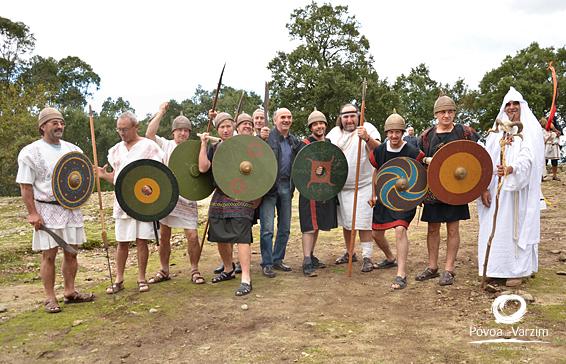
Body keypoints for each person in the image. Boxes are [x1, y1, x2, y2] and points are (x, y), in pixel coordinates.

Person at [16, 107, 95, 313]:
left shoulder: (73, 150)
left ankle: (70, 292)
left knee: (72, 253)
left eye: (61, 122)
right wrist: (33, 212)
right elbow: (25, 186)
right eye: (54, 123)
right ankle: (50, 298)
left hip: (71, 208)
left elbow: (84, 176)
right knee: (49, 255)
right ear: (43, 127)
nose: (60, 126)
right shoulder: (30, 152)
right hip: (47, 209)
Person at [477, 87, 544, 287]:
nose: (512, 107)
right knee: (494, 228)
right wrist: (483, 188)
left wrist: (512, 169)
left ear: (521, 106)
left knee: (516, 227)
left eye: (515, 104)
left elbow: (530, 160)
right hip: (496, 191)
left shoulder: (529, 132)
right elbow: (485, 161)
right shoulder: (496, 133)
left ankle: (517, 270)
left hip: (518, 194)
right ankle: (494, 268)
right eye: (508, 104)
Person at [98, 111, 165, 294]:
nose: (122, 133)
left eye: (125, 129)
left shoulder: (149, 147)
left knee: (141, 240)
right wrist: (104, 176)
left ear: (136, 127)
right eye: (119, 129)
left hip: (143, 201)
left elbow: (159, 175)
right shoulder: (115, 150)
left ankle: (141, 278)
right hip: (123, 201)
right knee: (122, 241)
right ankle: (119, 279)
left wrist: (150, 188)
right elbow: (117, 178)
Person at [416, 95, 479, 286]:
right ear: (436, 114)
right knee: (433, 228)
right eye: (443, 112)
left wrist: (480, 187)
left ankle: (449, 269)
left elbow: (476, 159)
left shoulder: (465, 133)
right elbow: (418, 162)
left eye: (450, 111)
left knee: (453, 228)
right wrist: (419, 191)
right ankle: (432, 267)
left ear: (454, 113)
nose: (447, 115)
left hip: (457, 188)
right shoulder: (426, 137)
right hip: (434, 189)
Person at [145, 102, 204, 285]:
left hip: (186, 197)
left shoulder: (193, 149)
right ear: (173, 132)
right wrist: (161, 112)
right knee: (164, 235)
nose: (183, 133)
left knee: (192, 235)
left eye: (186, 130)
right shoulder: (165, 145)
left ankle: (194, 269)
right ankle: (164, 269)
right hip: (167, 197)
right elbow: (149, 134)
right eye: (179, 130)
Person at [198, 112, 255, 296]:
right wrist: (203, 144)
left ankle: (246, 277)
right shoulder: (214, 147)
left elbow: (256, 168)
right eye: (221, 127)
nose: (225, 129)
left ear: (234, 127)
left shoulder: (243, 145)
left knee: (242, 236)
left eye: (228, 126)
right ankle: (228, 269)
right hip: (221, 195)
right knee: (220, 234)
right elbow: (202, 167)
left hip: (240, 194)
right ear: (218, 130)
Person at [369, 112, 424, 289]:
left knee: (400, 229)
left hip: (404, 198)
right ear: (386, 133)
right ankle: (390, 258)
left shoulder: (413, 152)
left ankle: (401, 273)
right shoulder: (379, 151)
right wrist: (374, 194)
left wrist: (419, 194)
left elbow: (421, 172)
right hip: (384, 196)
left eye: (397, 132)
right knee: (376, 234)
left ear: (402, 133)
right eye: (391, 132)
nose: (394, 136)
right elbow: (376, 172)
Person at [326, 103, 381, 272]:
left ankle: (367, 257)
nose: (349, 120)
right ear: (340, 118)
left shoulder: (368, 128)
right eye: (345, 117)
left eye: (352, 116)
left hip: (364, 185)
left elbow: (380, 150)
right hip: (342, 186)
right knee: (348, 222)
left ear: (358, 116)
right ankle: (350, 252)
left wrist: (367, 138)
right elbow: (324, 153)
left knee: (363, 222)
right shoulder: (334, 133)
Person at [259, 108, 302, 277]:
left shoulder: (294, 141)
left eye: (289, 117)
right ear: (275, 120)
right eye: (282, 117)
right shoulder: (266, 138)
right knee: (267, 229)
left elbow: (305, 157)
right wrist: (259, 138)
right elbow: (253, 151)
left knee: (284, 228)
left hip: (287, 186)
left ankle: (277, 259)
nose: (286, 120)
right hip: (269, 187)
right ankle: (267, 262)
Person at [298, 110, 338, 277]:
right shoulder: (305, 144)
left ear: (325, 125)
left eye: (321, 123)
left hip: (324, 191)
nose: (319, 126)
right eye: (315, 124)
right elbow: (299, 168)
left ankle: (311, 255)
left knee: (317, 226)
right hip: (309, 191)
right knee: (309, 226)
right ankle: (306, 260)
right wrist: (314, 169)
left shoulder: (329, 143)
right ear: (311, 127)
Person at [541, 117, 562, 181]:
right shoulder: (542, 130)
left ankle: (554, 176)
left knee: (554, 161)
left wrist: (554, 129)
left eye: (553, 121)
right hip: (546, 146)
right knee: (544, 161)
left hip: (554, 146)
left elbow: (559, 134)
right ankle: (542, 175)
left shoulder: (556, 128)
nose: (551, 122)